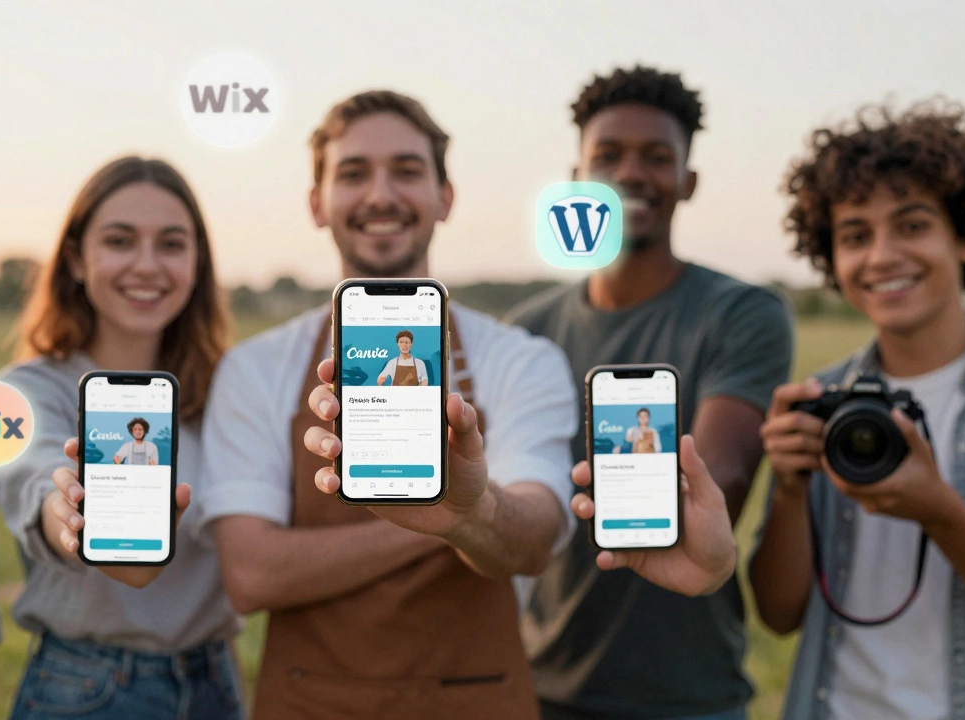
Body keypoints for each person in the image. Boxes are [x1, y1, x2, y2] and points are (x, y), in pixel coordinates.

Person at [196, 89, 737, 720]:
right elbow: (253, 574)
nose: (380, 195)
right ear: (317, 203)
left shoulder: (521, 359)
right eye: (353, 173)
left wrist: (463, 509)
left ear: (444, 198)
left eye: (406, 170)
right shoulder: (256, 368)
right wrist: (449, 520)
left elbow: (536, 538)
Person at [508, 65, 794, 720]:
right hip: (538, 689)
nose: (632, 173)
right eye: (608, 155)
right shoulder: (528, 330)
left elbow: (720, 475)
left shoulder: (742, 313)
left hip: (688, 697)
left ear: (687, 182)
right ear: (577, 179)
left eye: (657, 157)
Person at [751, 100, 965, 720]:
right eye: (856, 235)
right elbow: (779, 616)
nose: (883, 256)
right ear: (830, 257)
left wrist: (941, 513)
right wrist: (787, 492)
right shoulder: (822, 398)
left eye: (912, 225)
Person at [0, 156, 243, 720]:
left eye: (172, 244)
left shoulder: (228, 391)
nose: (147, 265)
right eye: (120, 241)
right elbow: (42, 487)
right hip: (85, 689)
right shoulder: (27, 391)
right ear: (78, 259)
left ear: (197, 263)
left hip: (213, 682)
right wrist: (77, 518)